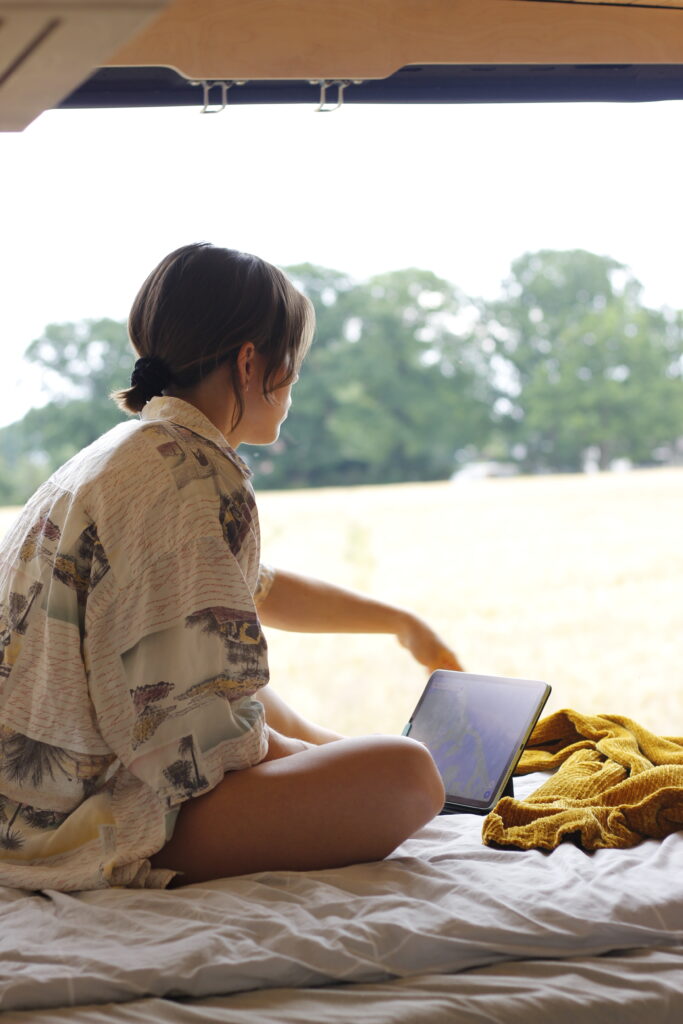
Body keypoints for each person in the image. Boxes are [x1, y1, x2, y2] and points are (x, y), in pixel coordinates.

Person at [0, 243, 461, 891]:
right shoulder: (188, 479)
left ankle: (331, 748)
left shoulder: (132, 453)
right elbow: (185, 731)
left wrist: (401, 624)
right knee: (407, 777)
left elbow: (255, 588)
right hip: (64, 826)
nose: (293, 387)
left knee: (240, 673)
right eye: (292, 367)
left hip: (24, 806)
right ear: (250, 363)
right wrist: (320, 765)